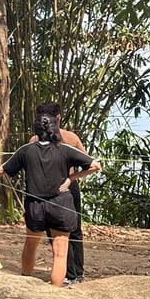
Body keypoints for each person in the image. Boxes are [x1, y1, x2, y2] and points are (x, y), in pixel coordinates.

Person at [0, 113, 100, 286]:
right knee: (60, 253)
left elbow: (3, 169)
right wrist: (71, 178)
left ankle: (26, 282)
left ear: (36, 131)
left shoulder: (26, 150)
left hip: (35, 206)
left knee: (30, 245)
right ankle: (55, 291)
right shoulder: (65, 149)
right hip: (61, 206)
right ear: (55, 130)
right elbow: (95, 165)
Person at [29, 102, 86, 285]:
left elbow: (88, 161)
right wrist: (72, 178)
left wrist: (71, 179)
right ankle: (73, 273)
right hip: (63, 186)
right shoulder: (69, 137)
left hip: (55, 188)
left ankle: (73, 273)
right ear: (58, 118)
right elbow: (88, 162)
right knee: (70, 231)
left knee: (61, 232)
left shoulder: (37, 140)